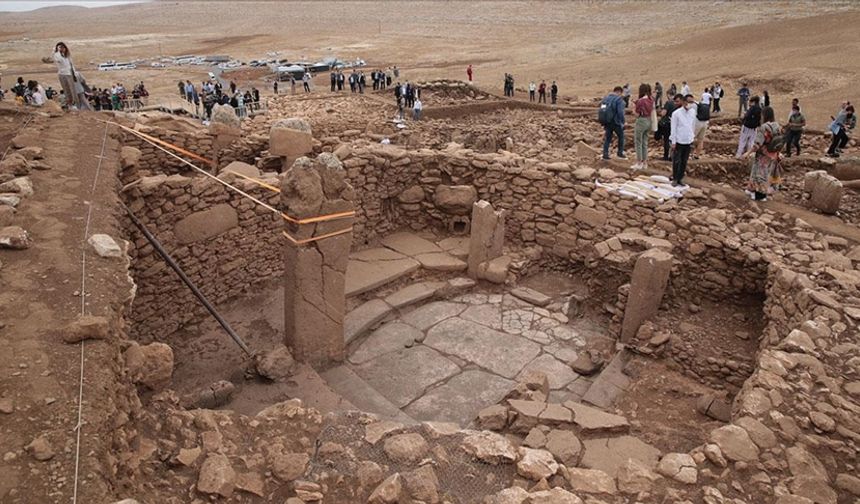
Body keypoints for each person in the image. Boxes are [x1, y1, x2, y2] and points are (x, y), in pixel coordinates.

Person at [744, 106, 781, 201]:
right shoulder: (777, 126)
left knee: (760, 174)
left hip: (763, 155)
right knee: (765, 173)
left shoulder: (764, 127)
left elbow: (757, 144)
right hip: (773, 154)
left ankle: (760, 195)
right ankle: (751, 189)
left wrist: (748, 153)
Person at [669, 94, 697, 187]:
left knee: (684, 161)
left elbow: (692, 125)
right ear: (684, 102)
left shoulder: (692, 112)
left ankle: (680, 178)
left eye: (692, 102)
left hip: (688, 140)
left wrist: (692, 138)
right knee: (677, 161)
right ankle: (675, 178)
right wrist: (673, 141)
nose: (690, 104)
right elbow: (673, 128)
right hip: (679, 140)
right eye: (689, 102)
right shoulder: (676, 113)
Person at [41, 42, 78, 110]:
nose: (62, 49)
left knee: (72, 90)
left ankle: (73, 104)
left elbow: (71, 65)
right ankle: (70, 104)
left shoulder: (67, 56)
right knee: (67, 89)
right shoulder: (58, 56)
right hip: (63, 74)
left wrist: (74, 74)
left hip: (70, 74)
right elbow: (57, 59)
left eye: (63, 47)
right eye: (60, 47)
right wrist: (56, 50)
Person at [601, 86, 626, 160]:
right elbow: (620, 112)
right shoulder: (618, 100)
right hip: (616, 122)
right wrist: (623, 122)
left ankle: (605, 154)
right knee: (621, 137)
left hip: (607, 121)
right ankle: (620, 153)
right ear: (619, 92)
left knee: (608, 138)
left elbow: (602, 109)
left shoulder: (606, 98)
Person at [632, 83, 654, 171]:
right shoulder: (651, 99)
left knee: (638, 142)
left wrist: (633, 108)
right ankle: (645, 162)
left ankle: (639, 162)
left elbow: (637, 114)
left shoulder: (641, 101)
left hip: (641, 121)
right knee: (645, 142)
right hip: (649, 121)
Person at [656, 92, 678, 161]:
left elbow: (663, 113)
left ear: (669, 95)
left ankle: (666, 156)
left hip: (667, 124)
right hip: (675, 124)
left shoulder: (668, 103)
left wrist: (659, 112)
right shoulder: (677, 104)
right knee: (673, 140)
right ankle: (673, 156)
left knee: (666, 140)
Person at [693, 94, 710, 160]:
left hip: (697, 123)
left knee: (691, 139)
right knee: (700, 140)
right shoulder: (701, 104)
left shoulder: (692, 105)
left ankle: (689, 154)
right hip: (705, 123)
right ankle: (697, 155)